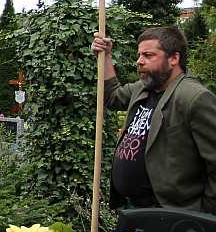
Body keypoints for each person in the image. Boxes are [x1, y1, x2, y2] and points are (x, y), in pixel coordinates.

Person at [91, 26, 216, 213]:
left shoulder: (194, 98)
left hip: (169, 214)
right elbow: (111, 96)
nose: (139, 61)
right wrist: (106, 56)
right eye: (139, 55)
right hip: (131, 208)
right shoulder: (143, 88)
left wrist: (201, 216)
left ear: (174, 58)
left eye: (148, 55)